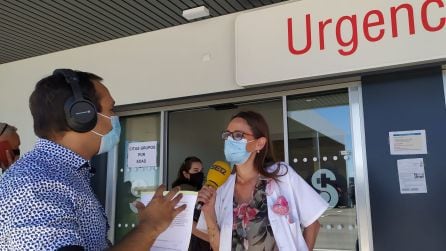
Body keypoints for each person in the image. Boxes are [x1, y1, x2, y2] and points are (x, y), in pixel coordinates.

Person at [0, 69, 186, 250]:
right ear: (82, 116)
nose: (115, 118)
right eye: (111, 109)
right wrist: (149, 227)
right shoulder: (35, 183)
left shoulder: (65, 174)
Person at [197, 111, 328, 251]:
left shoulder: (281, 175)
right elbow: (218, 247)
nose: (230, 140)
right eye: (227, 135)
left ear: (259, 143)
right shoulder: (222, 187)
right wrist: (209, 213)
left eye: (238, 135)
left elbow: (313, 224)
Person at [171, 156, 210, 251]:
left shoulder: (197, 190)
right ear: (186, 174)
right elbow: (185, 222)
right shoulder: (183, 192)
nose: (200, 174)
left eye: (201, 171)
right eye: (195, 170)